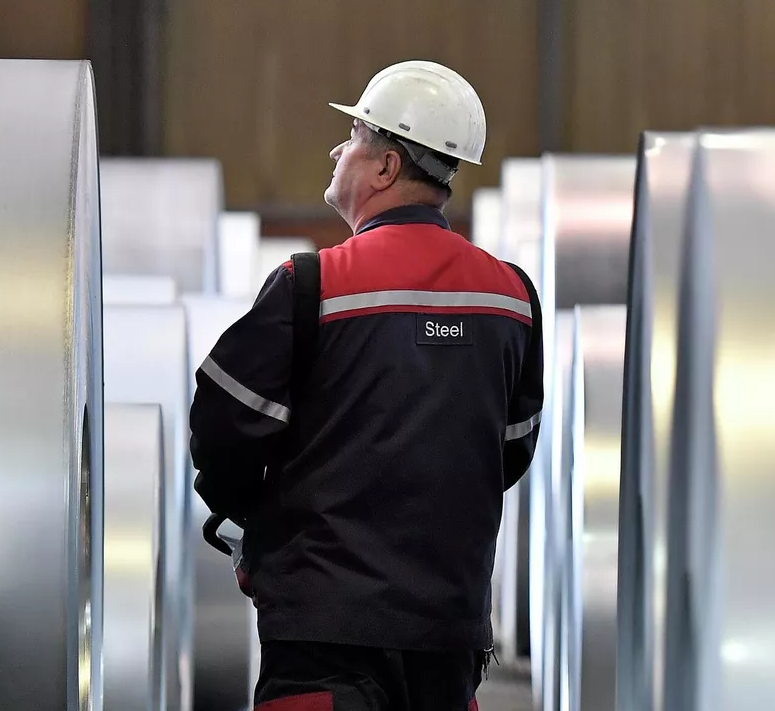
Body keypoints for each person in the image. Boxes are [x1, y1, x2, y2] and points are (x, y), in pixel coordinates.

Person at [188, 60, 544, 711]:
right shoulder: (512, 297)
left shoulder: (311, 287)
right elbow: (510, 451)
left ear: (384, 168)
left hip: (321, 631)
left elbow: (220, 426)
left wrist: (263, 526)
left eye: (353, 134)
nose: (337, 148)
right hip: (448, 632)